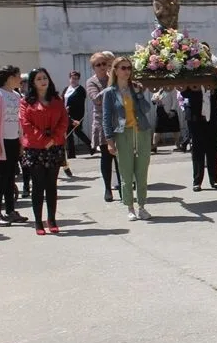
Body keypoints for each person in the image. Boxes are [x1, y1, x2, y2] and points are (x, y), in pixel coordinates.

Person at [102, 57, 155, 222]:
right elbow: (106, 117)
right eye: (123, 68)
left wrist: (139, 94)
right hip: (122, 133)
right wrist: (109, 141)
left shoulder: (135, 89)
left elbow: (147, 108)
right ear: (116, 70)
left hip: (141, 132)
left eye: (129, 68)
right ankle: (130, 207)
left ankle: (142, 206)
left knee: (142, 171)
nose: (127, 71)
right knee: (126, 172)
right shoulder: (110, 92)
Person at [20, 68, 68, 234]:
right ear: (33, 82)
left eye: (45, 78)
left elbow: (64, 120)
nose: (43, 81)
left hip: (55, 147)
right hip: (35, 148)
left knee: (51, 186)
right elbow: (26, 125)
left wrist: (53, 139)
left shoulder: (57, 99)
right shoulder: (26, 102)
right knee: (38, 186)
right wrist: (44, 139)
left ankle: (52, 219)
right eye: (39, 78)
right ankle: (38, 222)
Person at [0, 65, 28, 227]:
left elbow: (20, 121)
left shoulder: (16, 95)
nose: (20, 79)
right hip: (0, 143)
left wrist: (21, 142)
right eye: (18, 76)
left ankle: (10, 211)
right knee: (1, 177)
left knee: (11, 177)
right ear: (10, 78)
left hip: (13, 141)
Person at [87, 52, 121, 202]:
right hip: (102, 122)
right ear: (93, 67)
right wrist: (110, 87)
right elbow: (97, 99)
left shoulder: (113, 79)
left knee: (120, 156)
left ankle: (122, 186)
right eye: (98, 65)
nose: (102, 67)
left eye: (104, 64)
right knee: (107, 156)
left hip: (118, 121)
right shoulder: (91, 82)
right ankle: (108, 188)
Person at [182, 84, 217, 191]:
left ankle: (214, 180)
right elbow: (184, 93)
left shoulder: (214, 79)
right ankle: (197, 181)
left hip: (213, 116)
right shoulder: (193, 77)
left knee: (212, 149)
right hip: (196, 116)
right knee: (197, 149)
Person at [63, 71, 93, 158]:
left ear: (78, 79)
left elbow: (79, 103)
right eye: (72, 78)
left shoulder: (80, 90)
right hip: (66, 114)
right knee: (71, 132)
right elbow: (62, 99)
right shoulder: (66, 89)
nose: (74, 80)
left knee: (76, 131)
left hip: (76, 115)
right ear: (70, 79)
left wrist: (70, 108)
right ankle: (72, 153)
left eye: (76, 78)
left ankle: (90, 146)